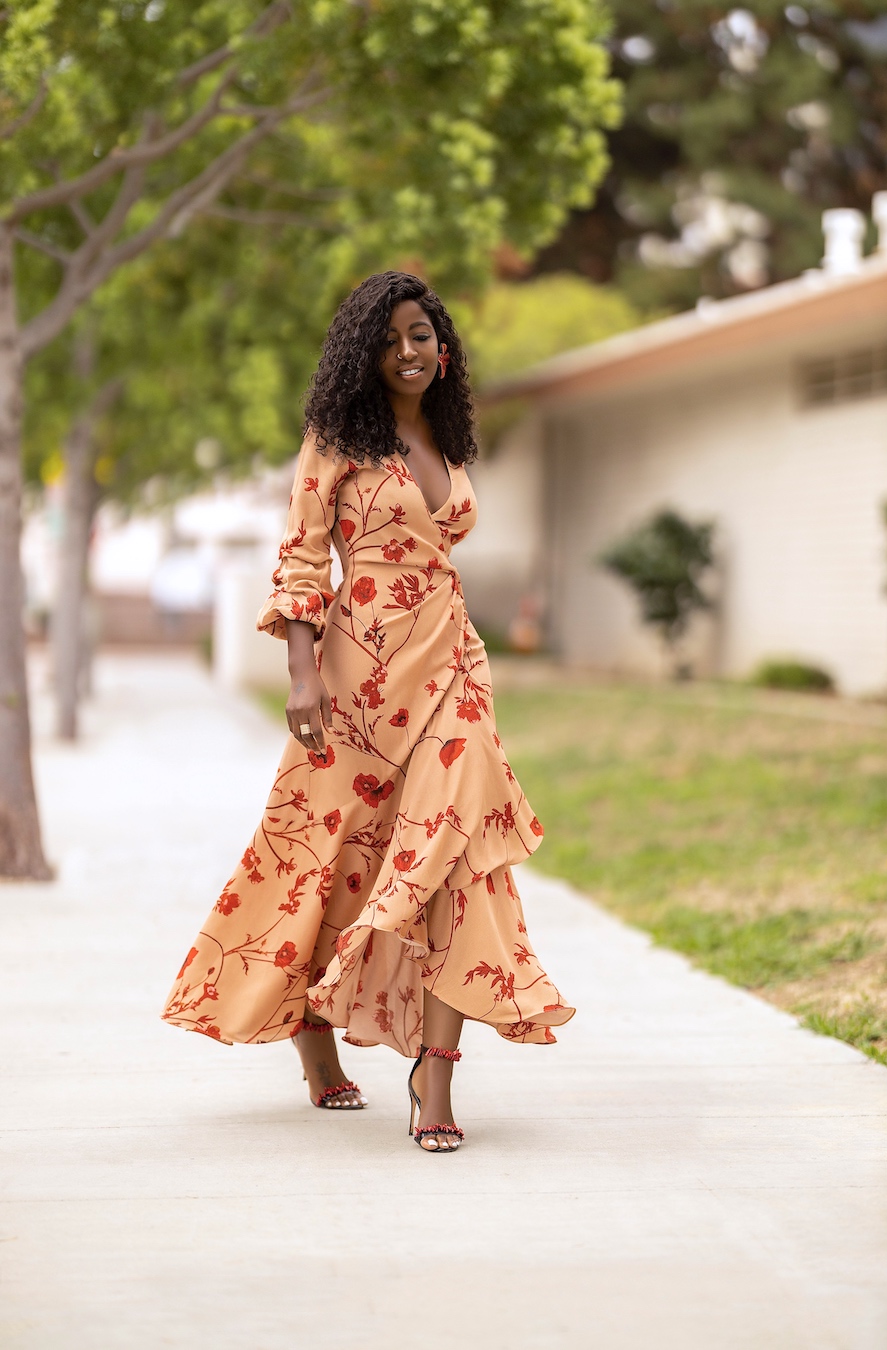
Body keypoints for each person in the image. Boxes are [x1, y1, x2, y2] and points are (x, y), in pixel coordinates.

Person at [162, 271, 574, 1152]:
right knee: (332, 855)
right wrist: (302, 672)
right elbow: (303, 558)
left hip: (453, 664)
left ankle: (434, 1076)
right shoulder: (338, 438)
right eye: (388, 339)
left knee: (452, 855)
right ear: (364, 352)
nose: (407, 351)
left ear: (442, 344)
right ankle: (313, 1037)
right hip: (359, 675)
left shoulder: (450, 436)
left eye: (419, 334)